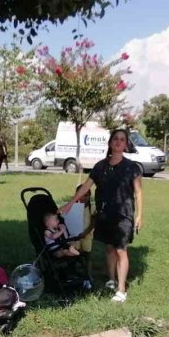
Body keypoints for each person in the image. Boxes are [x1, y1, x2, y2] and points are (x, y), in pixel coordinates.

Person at [60, 129, 143, 303]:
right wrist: (70, 203)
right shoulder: (100, 167)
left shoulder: (132, 167)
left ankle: (121, 290)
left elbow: (138, 192)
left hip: (123, 215)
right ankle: (111, 280)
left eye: (122, 139)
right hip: (105, 214)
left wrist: (139, 215)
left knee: (121, 250)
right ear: (110, 143)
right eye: (115, 139)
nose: (118, 142)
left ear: (126, 144)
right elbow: (86, 186)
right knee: (109, 248)